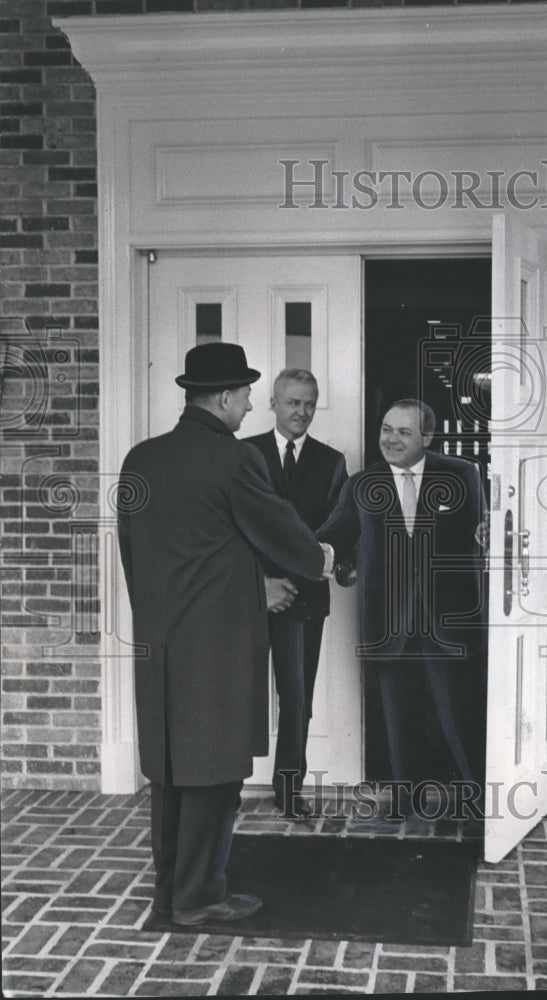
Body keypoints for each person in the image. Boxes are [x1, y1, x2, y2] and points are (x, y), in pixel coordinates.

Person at [117, 342, 331, 926]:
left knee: (168, 770)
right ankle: (199, 897)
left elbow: (135, 556)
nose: (245, 410)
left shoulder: (141, 459)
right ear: (224, 397)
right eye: (242, 397)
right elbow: (283, 535)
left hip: (159, 642)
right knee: (214, 772)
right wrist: (318, 559)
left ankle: (170, 888)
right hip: (217, 644)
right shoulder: (233, 459)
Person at [318, 399, 487, 819]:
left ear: (427, 437)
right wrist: (294, 558)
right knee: (397, 715)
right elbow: (332, 537)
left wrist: (488, 535)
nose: (391, 439)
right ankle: (406, 803)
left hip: (449, 617)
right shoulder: (362, 484)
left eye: (404, 432)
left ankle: (483, 802)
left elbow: (481, 532)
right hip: (388, 619)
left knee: (460, 712)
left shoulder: (462, 475)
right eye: (386, 429)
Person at [244, 369, 348, 819]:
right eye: (292, 403)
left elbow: (335, 527)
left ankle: (289, 791)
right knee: (238, 692)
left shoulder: (331, 460)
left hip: (304, 599)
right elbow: (234, 526)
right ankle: (227, 786)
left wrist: (302, 573)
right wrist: (261, 583)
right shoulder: (244, 453)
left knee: (297, 697)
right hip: (248, 594)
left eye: (309, 404)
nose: (301, 412)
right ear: (273, 402)